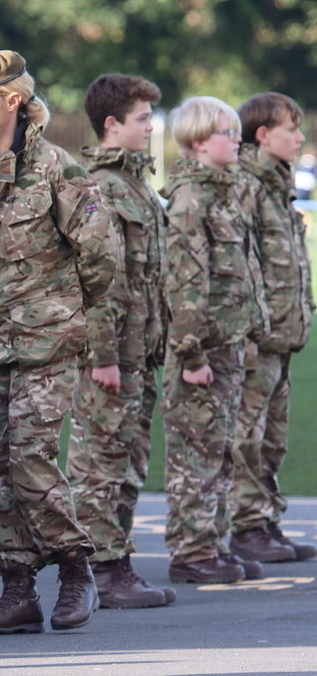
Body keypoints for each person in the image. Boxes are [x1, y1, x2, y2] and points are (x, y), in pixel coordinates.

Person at [0, 50, 117, 635]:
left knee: (29, 457)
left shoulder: (56, 169)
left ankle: (76, 569)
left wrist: (64, 313)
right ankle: (17, 588)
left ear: (13, 102)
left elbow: (101, 255)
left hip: (45, 344)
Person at [66, 73, 173, 608]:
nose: (151, 126)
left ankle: (118, 560)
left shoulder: (137, 184)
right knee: (100, 463)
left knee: (128, 460)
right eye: (142, 118)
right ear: (112, 125)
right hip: (114, 356)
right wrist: (102, 355)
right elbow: (99, 279)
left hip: (140, 351)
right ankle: (99, 569)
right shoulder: (101, 187)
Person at [161, 96, 269, 584]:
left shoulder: (223, 194)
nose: (238, 138)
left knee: (219, 449)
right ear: (201, 141)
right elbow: (186, 283)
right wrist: (191, 354)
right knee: (195, 453)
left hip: (226, 345)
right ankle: (191, 551)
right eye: (229, 132)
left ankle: (213, 543)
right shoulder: (191, 200)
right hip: (201, 351)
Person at [229, 93, 315, 563]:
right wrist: (245, 333)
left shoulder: (275, 184)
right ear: (262, 135)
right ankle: (246, 528)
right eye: (291, 128)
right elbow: (241, 264)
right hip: (256, 337)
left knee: (273, 437)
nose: (300, 137)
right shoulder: (247, 184)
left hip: (281, 334)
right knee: (248, 435)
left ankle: (266, 521)